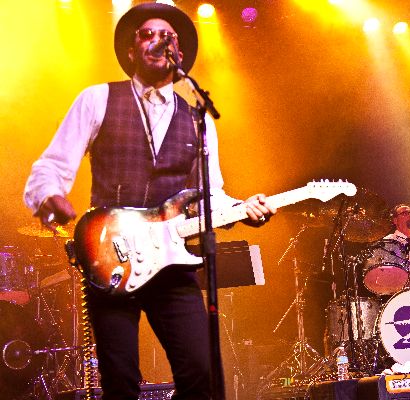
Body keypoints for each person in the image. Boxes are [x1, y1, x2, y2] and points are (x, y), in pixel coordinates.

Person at [23, 3, 276, 399]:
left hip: (173, 264)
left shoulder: (198, 119)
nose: (159, 41)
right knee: (120, 381)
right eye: (148, 34)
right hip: (110, 256)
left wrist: (245, 210)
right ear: (131, 50)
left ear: (180, 54)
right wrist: (50, 195)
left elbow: (211, 195)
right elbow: (51, 165)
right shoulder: (98, 99)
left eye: (168, 36)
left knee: (202, 374)